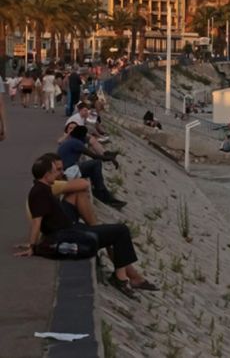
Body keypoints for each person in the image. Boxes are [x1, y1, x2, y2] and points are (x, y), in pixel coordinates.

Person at [17, 154, 156, 299]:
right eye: (56, 171)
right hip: (69, 235)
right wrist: (32, 247)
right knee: (121, 230)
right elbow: (37, 221)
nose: (59, 173)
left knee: (113, 232)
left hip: (70, 229)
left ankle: (127, 276)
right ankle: (121, 279)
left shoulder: (43, 188)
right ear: (47, 174)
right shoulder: (40, 192)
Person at [58, 125, 125, 208]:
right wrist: (110, 159)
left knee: (93, 171)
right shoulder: (76, 143)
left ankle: (105, 195)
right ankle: (101, 191)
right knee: (96, 163)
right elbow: (94, 156)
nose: (86, 137)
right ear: (82, 136)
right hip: (68, 172)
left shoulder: (70, 141)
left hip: (67, 170)